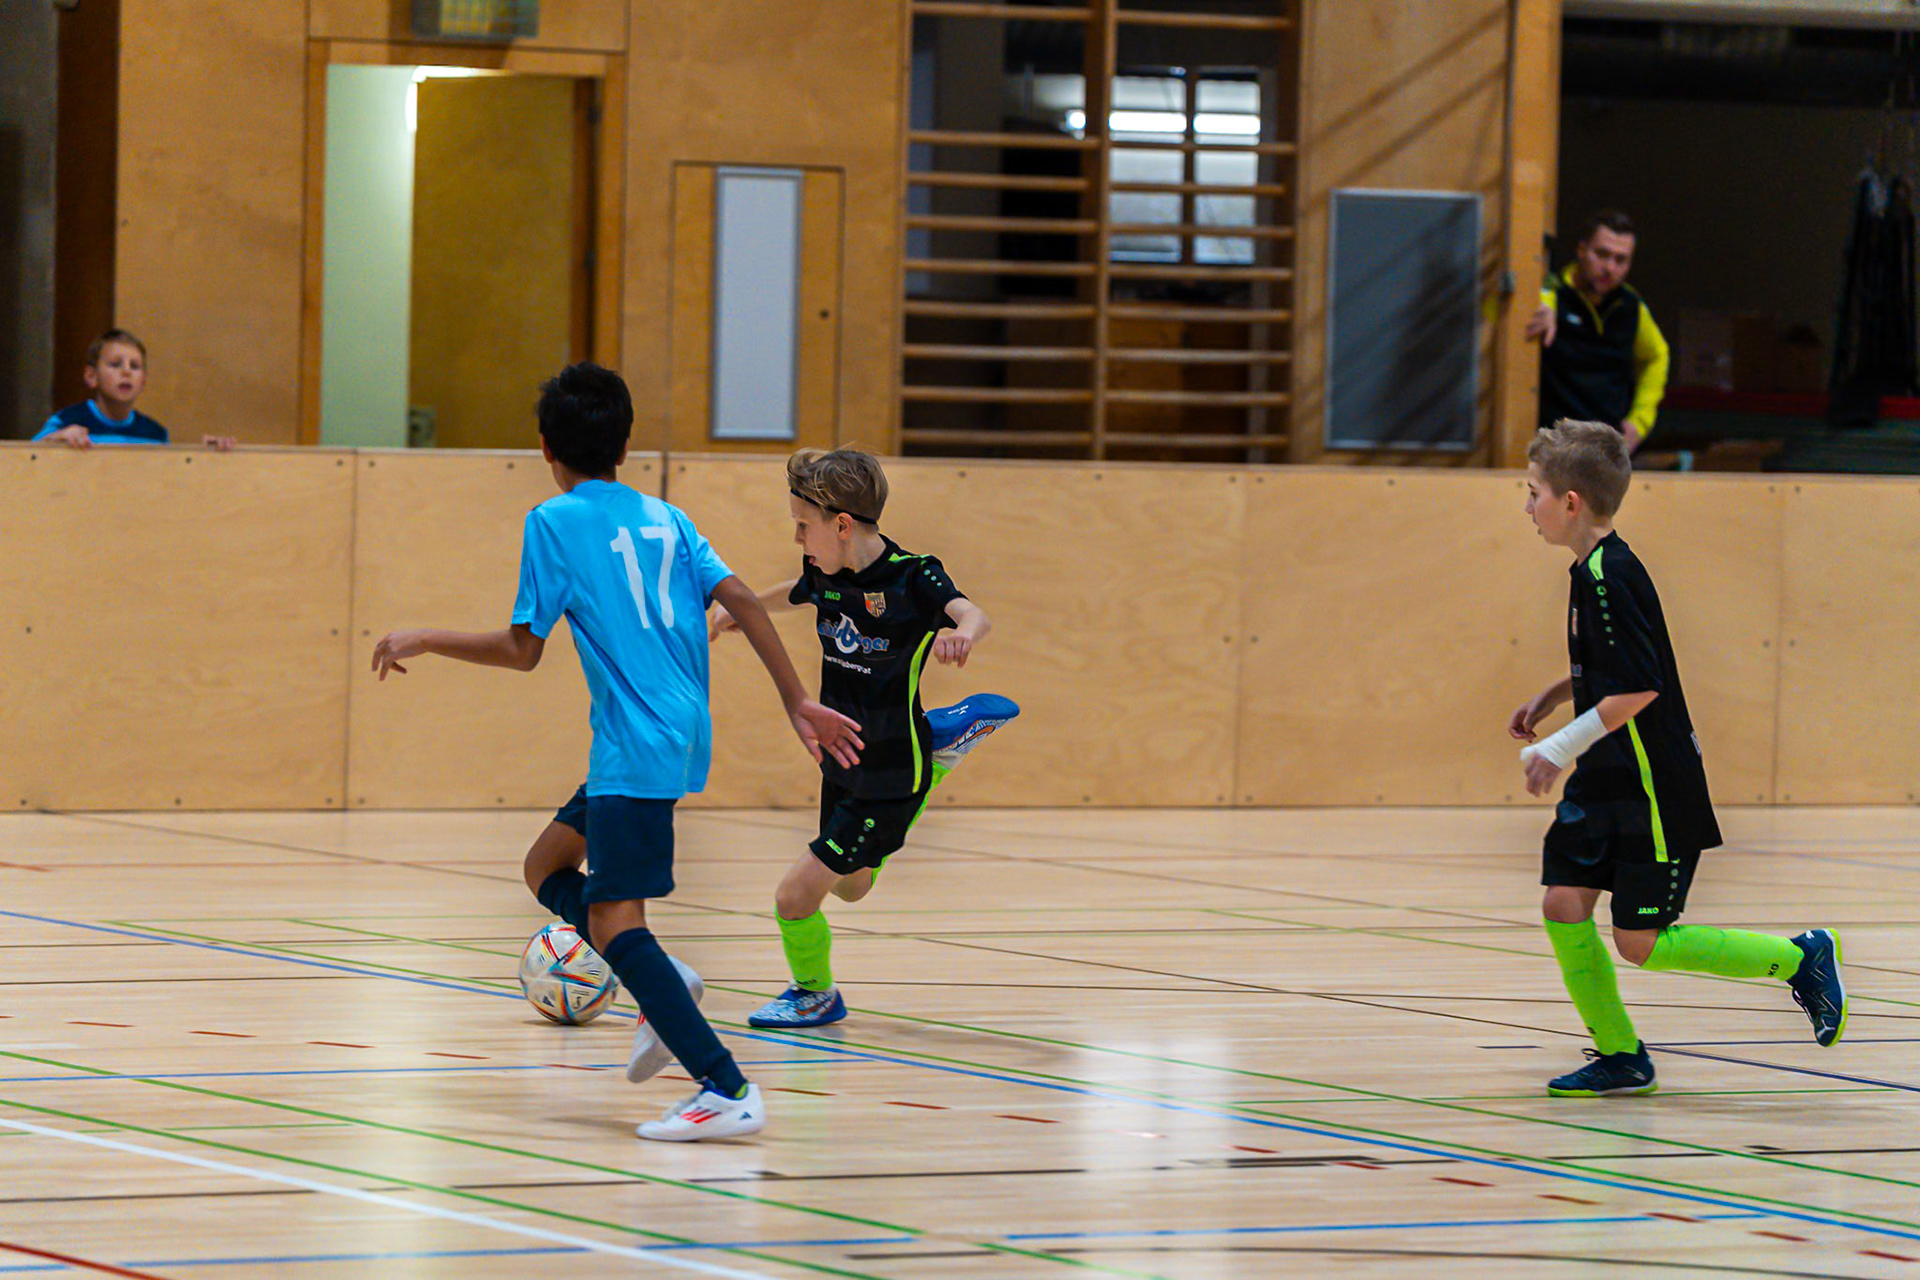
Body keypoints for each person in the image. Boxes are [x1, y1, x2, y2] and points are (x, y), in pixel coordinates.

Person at [371, 362, 862, 1141]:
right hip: (674, 730)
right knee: (545, 867)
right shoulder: (667, 516)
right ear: (625, 446)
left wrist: (424, 637)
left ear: (545, 448)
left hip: (637, 741)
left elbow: (523, 650)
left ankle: (725, 1087)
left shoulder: (552, 521)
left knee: (615, 920)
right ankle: (659, 974)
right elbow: (739, 598)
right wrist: (795, 697)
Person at [1510, 419, 1847, 1097]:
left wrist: (1557, 746)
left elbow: (1640, 687)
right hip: (1606, 779)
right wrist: (1554, 696)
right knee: (1564, 903)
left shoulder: (1611, 576)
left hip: (1651, 788)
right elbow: (1615, 668)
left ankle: (1798, 958)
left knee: (1640, 942)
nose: (1527, 507)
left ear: (1570, 502)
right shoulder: (1589, 571)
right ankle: (1621, 1056)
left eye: (1534, 492)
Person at [707, 448, 1012, 1030]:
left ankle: (815, 994)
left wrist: (963, 635)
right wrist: (736, 613)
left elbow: (974, 614)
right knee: (850, 889)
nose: (798, 537)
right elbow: (793, 592)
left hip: (891, 772)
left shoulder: (914, 576)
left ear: (842, 525)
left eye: (803, 525)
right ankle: (941, 750)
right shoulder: (828, 574)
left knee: (795, 896)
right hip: (843, 761)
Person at [1525, 212, 1669, 455]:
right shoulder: (1550, 294)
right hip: (1553, 447)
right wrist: (1539, 307)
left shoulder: (1631, 306)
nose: (1609, 268)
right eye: (1602, 254)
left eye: (1621, 260)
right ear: (1582, 250)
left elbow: (1657, 357)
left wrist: (1640, 421)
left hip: (1608, 450)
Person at [35, 330, 235, 450]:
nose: (126, 372)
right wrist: (56, 439)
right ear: (91, 376)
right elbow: (27, 459)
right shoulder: (66, 420)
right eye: (115, 364)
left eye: (135, 366)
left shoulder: (155, 434)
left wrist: (209, 456)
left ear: (143, 381)